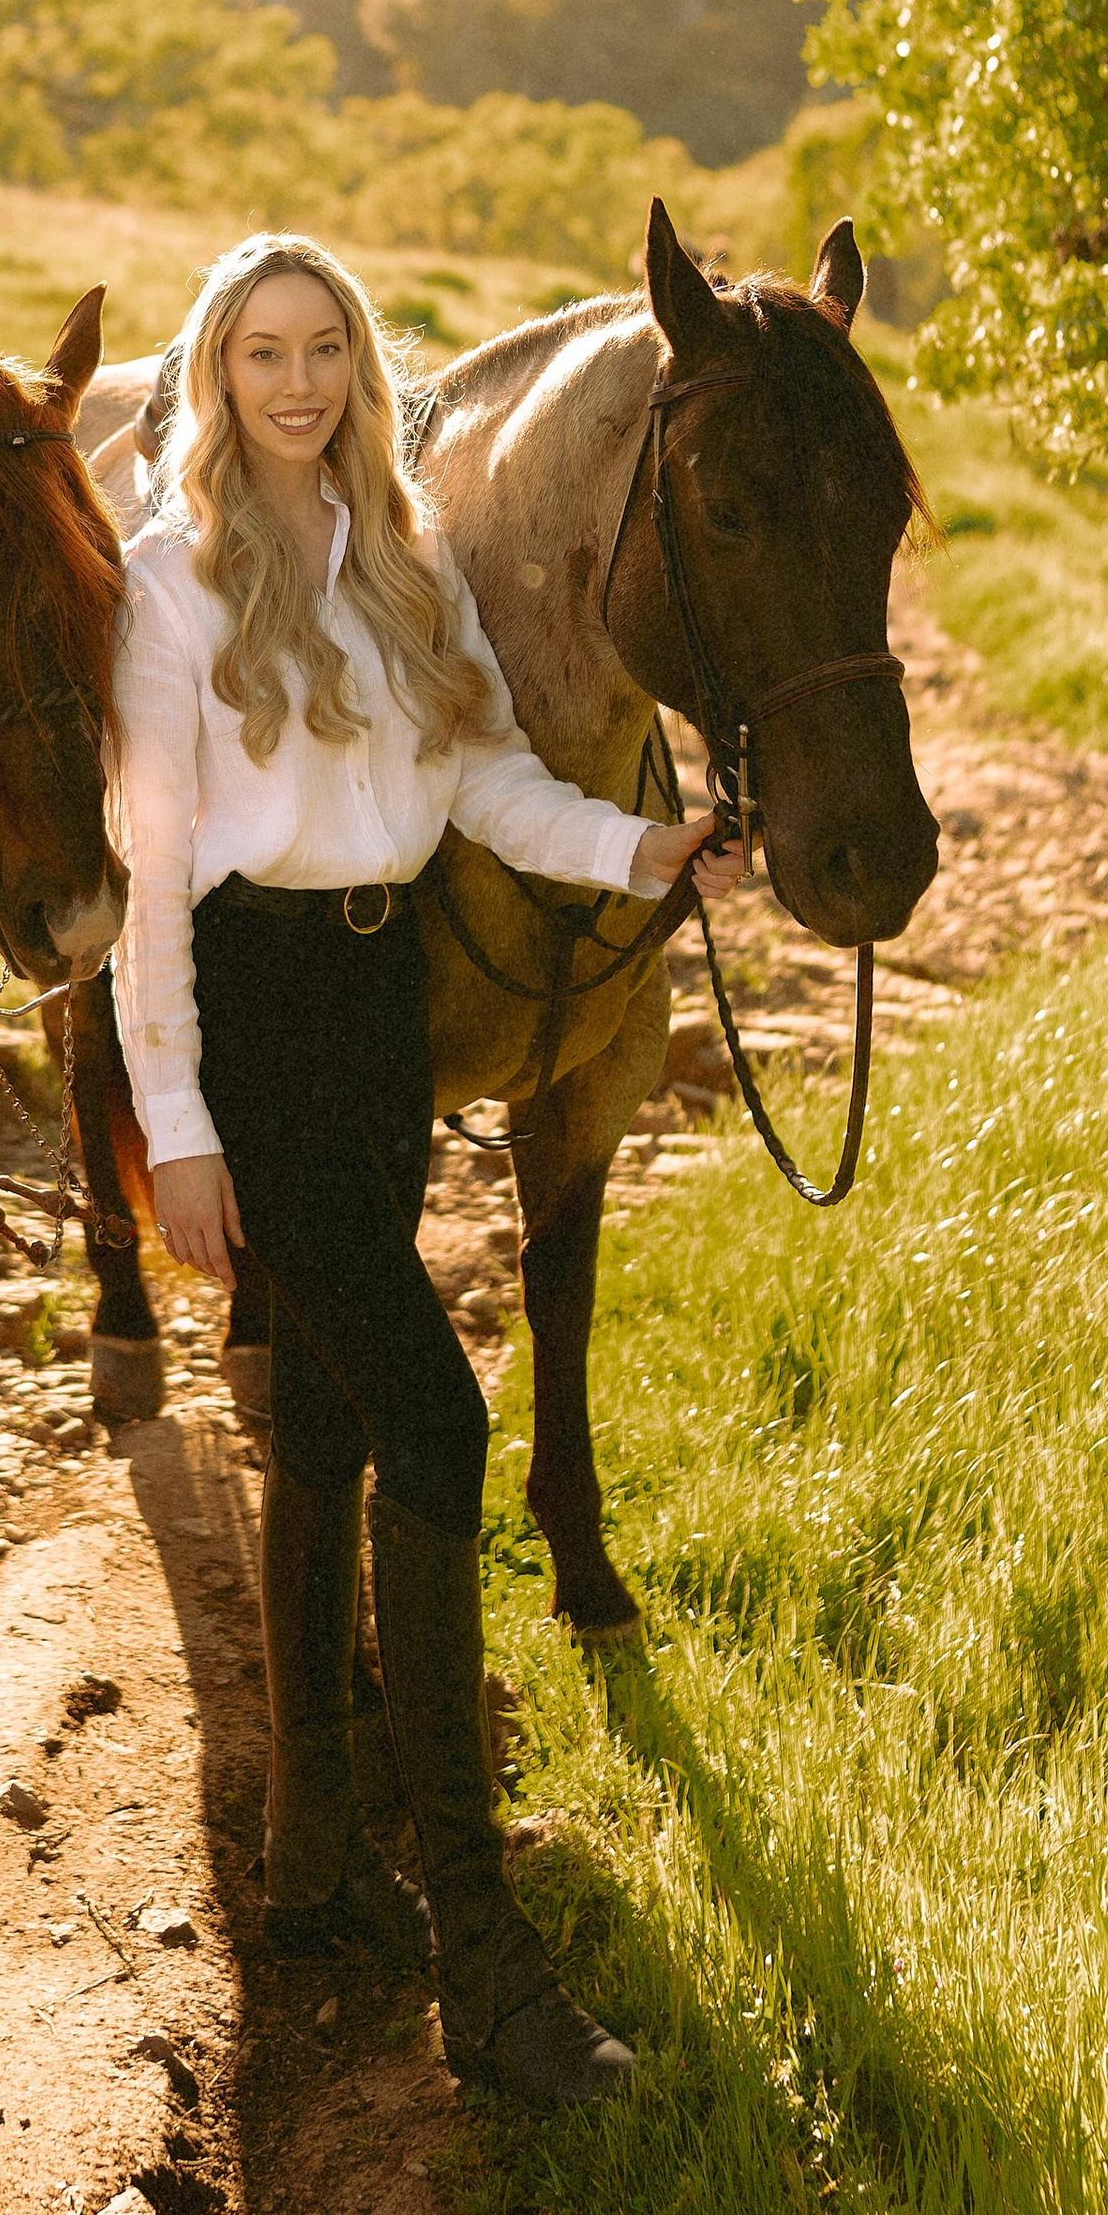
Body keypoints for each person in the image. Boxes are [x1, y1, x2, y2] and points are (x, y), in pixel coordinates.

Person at [113, 230, 743, 2110]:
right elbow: (153, 882)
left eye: (326, 351)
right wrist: (179, 1128)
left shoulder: (404, 558)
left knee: (319, 1419)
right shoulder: (170, 580)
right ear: (217, 375)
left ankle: (313, 1861)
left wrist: (642, 858)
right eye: (261, 354)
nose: (295, 384)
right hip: (259, 1008)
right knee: (439, 1421)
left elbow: (480, 784)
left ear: (363, 370)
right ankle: (485, 1954)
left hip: (386, 1001)